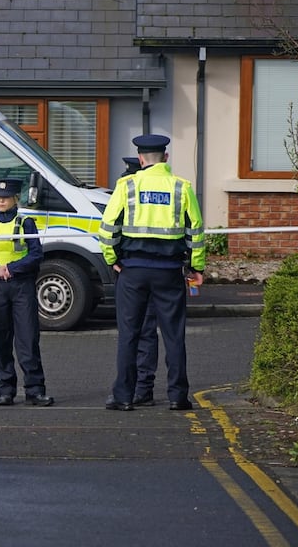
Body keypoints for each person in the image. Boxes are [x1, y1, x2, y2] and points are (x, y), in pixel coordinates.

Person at [98, 134, 205, 411]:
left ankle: (123, 396)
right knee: (173, 335)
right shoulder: (182, 188)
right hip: (169, 272)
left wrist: (113, 259)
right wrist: (196, 267)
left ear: (141, 159)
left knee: (129, 334)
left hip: (133, 271)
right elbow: (196, 231)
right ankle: (177, 396)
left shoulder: (127, 185)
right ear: (166, 158)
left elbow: (108, 227)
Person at [0, 178, 53, 407]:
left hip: (21, 286)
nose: (1, 201)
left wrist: (11, 269)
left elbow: (36, 254)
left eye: (5, 198)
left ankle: (35, 390)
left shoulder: (26, 222)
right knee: (0, 340)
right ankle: (5, 390)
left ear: (15, 198)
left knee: (28, 339)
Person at [121, 156, 160, 407]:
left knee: (134, 331)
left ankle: (135, 387)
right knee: (146, 330)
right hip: (157, 269)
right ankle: (142, 386)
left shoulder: (128, 190)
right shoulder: (164, 190)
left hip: (131, 270)